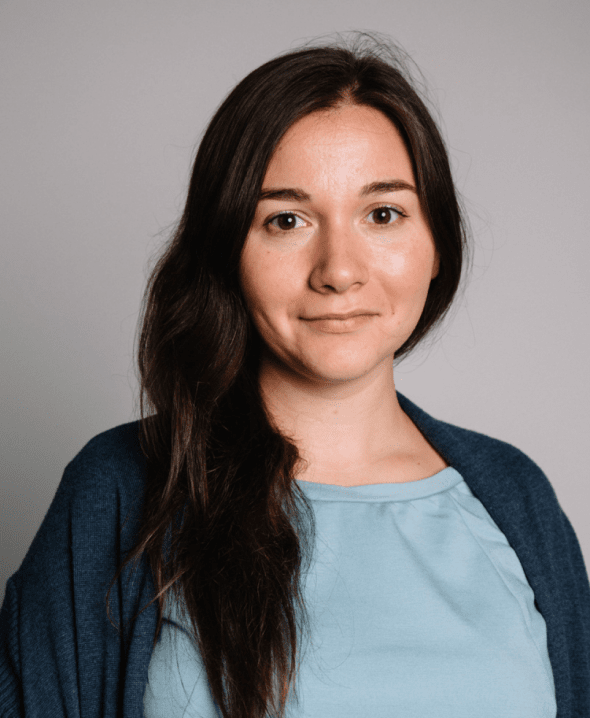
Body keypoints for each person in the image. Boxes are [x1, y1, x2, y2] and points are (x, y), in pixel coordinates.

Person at [1, 33, 588, 718]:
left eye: (383, 214)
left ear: (436, 245)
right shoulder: (122, 491)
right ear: (228, 250)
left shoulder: (516, 499)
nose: (339, 270)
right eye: (286, 220)